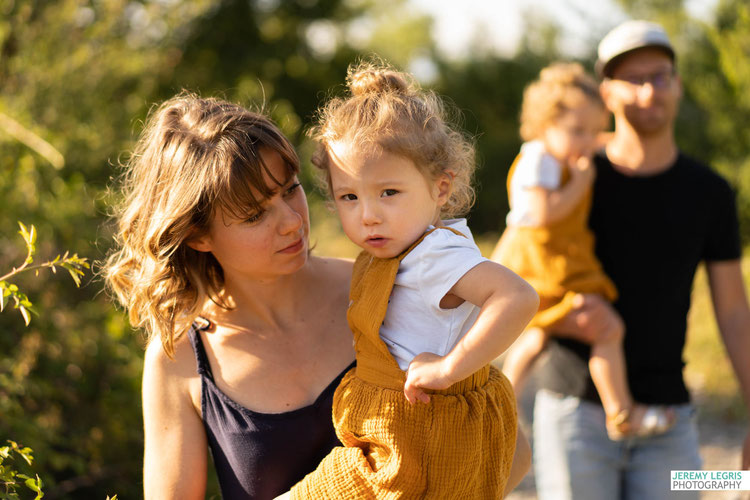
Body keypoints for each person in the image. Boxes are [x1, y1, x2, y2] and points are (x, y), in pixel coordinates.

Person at [514, 20, 750, 500]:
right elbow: (522, 264)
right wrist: (563, 319)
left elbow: (732, 310)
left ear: (678, 84)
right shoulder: (571, 174)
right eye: (632, 79)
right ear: (606, 94)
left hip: (671, 420)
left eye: (659, 76)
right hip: (573, 415)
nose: (648, 92)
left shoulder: (711, 192)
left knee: (722, 482)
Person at [285, 61, 539, 498]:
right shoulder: (399, 250)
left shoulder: (432, 255)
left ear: (440, 189)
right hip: (397, 434)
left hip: (411, 442)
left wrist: (448, 368)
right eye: (349, 196)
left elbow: (516, 296)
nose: (368, 215)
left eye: (389, 193)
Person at [104, 93, 357, 499]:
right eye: (255, 215)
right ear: (198, 235)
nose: (292, 223)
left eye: (290, 190)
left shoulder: (370, 289)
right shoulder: (180, 359)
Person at [492, 62, 673, 440]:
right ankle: (621, 413)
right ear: (544, 125)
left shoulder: (560, 152)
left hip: (550, 266)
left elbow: (599, 140)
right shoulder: (540, 159)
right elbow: (541, 215)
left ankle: (498, 404)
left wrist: (608, 140)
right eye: (577, 131)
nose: (587, 142)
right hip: (550, 267)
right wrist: (581, 181)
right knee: (608, 328)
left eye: (592, 131)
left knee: (537, 337)